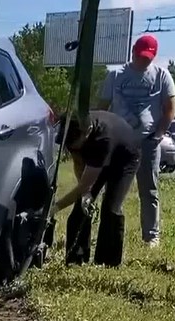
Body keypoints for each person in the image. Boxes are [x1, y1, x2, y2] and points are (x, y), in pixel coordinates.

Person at [98, 33, 175, 249]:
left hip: (147, 142)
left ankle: (151, 236)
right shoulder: (115, 75)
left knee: (149, 190)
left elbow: (170, 109)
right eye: (141, 56)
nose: (144, 60)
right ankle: (110, 232)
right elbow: (101, 107)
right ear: (133, 51)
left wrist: (158, 134)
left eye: (148, 57)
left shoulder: (162, 76)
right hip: (118, 143)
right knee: (113, 190)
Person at [52, 111, 144, 267]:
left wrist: (55, 207)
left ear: (86, 134)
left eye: (75, 145)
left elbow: (84, 186)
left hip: (125, 159)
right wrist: (86, 194)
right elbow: (79, 163)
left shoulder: (103, 139)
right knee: (81, 206)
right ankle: (76, 258)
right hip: (99, 157)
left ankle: (108, 261)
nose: (72, 148)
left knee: (111, 208)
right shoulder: (70, 129)